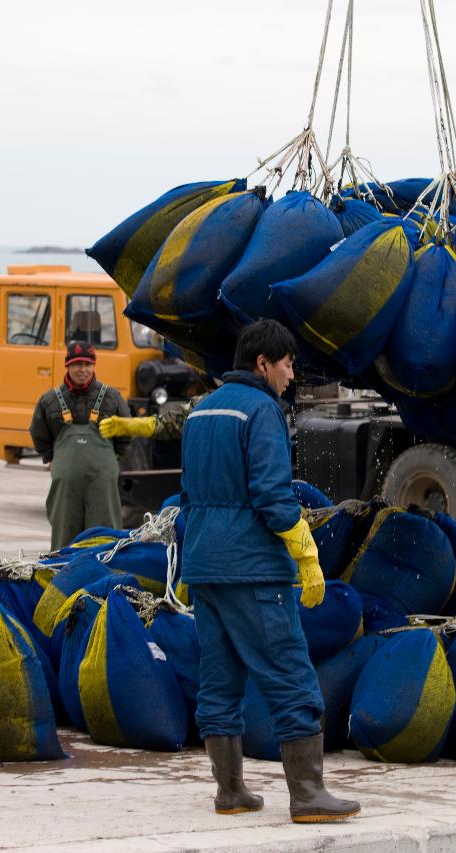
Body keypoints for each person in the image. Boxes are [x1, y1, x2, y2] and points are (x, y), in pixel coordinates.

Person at [179, 319, 359, 824]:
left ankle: (230, 790)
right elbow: (273, 494)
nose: (291, 374)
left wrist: (188, 563)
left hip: (205, 568)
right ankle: (307, 795)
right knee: (289, 673)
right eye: (287, 364)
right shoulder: (261, 410)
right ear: (263, 363)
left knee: (219, 679)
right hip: (253, 572)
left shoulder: (200, 411)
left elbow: (189, 497)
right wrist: (304, 549)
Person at [30, 340, 131, 549]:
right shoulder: (49, 400)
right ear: (67, 366)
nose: (82, 370)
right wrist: (50, 458)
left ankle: (105, 575)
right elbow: (38, 433)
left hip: (102, 480)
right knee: (64, 534)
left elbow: (126, 431)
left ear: (94, 366)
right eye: (77, 364)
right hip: (66, 483)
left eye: (87, 364)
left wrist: (114, 456)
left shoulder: (111, 397)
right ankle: (63, 576)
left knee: (104, 535)